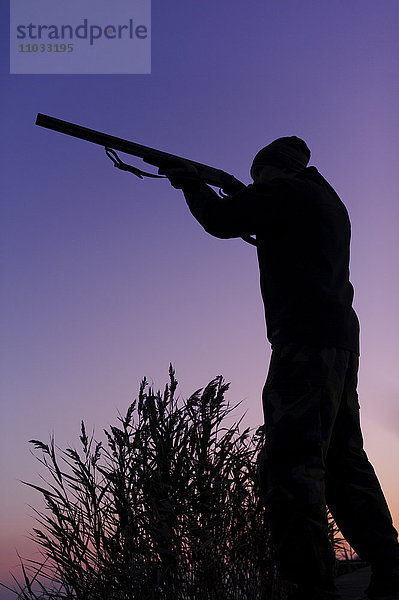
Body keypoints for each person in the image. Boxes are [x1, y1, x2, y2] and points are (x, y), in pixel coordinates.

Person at [158, 137, 399, 600]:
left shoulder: (288, 191)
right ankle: (388, 566)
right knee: (343, 459)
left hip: (305, 342)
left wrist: (189, 183)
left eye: (258, 176)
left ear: (272, 170)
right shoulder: (324, 197)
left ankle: (312, 584)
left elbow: (221, 220)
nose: (254, 183)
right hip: (339, 340)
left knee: (290, 461)